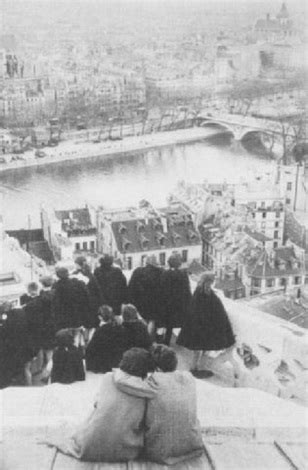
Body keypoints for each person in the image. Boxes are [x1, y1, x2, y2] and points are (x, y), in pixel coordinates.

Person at [44, 348, 156, 462]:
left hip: (90, 445)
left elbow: (97, 405)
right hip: (125, 450)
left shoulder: (108, 377)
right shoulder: (148, 391)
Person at [115, 345, 204, 465]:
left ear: (155, 367)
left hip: (160, 452)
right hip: (193, 445)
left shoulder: (152, 382)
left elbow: (120, 382)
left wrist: (118, 370)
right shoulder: (188, 377)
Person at [177, 272, 236, 378]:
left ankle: (193, 368)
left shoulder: (197, 291)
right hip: (205, 326)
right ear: (209, 282)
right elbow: (213, 309)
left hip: (196, 325)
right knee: (204, 349)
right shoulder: (207, 294)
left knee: (197, 349)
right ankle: (200, 368)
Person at [23, 275, 56, 378]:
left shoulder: (30, 304)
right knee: (48, 351)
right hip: (50, 326)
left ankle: (46, 371)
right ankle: (46, 370)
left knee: (43, 350)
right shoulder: (49, 296)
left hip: (39, 330)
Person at [128, 255, 164, 339]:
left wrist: (131, 301)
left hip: (140, 303)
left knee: (143, 320)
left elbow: (131, 287)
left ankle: (143, 338)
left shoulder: (138, 272)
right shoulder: (161, 272)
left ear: (146, 262)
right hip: (155, 303)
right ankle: (150, 339)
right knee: (152, 321)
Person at [0, 301, 34, 387]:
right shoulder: (22, 315)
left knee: (22, 369)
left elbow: (4, 333)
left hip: (15, 350)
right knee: (26, 369)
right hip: (26, 347)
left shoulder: (9, 321)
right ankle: (29, 385)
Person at [160, 253, 192, 345]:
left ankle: (166, 341)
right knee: (183, 322)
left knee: (169, 324)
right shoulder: (183, 274)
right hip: (180, 303)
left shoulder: (165, 274)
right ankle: (183, 340)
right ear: (179, 264)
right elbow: (187, 289)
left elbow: (162, 288)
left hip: (169, 303)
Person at [85, 305, 127, 373]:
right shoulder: (120, 328)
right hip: (117, 360)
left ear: (100, 317)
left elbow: (90, 349)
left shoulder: (100, 330)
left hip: (104, 363)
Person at [53, 266, 91, 332]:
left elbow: (56, 303)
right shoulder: (77, 283)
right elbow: (86, 295)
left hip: (64, 316)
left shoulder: (56, 286)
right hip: (77, 313)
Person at [74, 256, 101, 330]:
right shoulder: (90, 275)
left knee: (83, 325)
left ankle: (85, 339)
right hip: (91, 303)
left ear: (77, 264)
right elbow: (97, 289)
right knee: (91, 324)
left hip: (80, 303)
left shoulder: (74, 275)